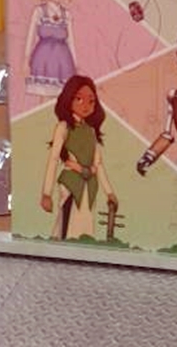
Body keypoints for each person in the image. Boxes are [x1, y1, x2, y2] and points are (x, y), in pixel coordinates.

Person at [41, 75, 117, 241]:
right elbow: (54, 159)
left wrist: (109, 192)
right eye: (79, 99)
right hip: (71, 183)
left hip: (90, 184)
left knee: (85, 226)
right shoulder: (63, 127)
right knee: (67, 225)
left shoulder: (91, 130)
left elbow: (98, 163)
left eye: (91, 101)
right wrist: (46, 193)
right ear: (69, 99)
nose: (85, 105)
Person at [24, 0, 79, 97]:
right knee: (42, 95)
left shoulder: (66, 15)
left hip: (63, 61)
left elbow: (71, 41)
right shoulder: (39, 12)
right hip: (42, 60)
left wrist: (75, 63)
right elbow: (30, 37)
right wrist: (25, 60)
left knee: (62, 97)